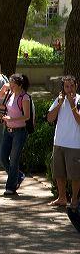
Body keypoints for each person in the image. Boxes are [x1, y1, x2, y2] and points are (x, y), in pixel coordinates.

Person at [47, 75, 80, 208]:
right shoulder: (59, 100)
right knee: (59, 173)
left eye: (72, 86)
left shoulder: (79, 100)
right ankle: (62, 198)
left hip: (74, 144)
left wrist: (72, 106)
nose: (70, 89)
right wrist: (59, 104)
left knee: (75, 175)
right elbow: (49, 118)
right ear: (63, 88)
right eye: (67, 86)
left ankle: (74, 200)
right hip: (59, 142)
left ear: (76, 86)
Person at [0, 74, 30, 195]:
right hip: (8, 130)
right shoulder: (10, 94)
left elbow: (26, 116)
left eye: (13, 84)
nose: (11, 86)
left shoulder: (24, 97)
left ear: (20, 85)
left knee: (14, 160)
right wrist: (4, 87)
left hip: (19, 131)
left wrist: (11, 119)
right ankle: (18, 175)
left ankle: (10, 187)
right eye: (10, 83)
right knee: (2, 157)